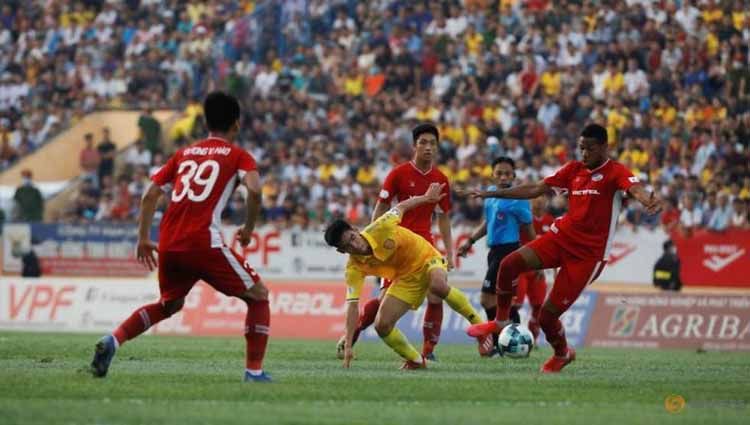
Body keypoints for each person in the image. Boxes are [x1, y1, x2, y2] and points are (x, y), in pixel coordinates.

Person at [90, 92, 272, 382]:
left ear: (204, 123)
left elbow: (150, 196)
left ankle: (113, 340)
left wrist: (142, 238)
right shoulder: (239, 156)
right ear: (236, 125)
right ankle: (254, 372)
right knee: (259, 296)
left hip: (169, 242)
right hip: (202, 242)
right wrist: (248, 229)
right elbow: (255, 190)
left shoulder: (183, 154)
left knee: (169, 305)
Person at [462, 124, 662, 373]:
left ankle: (562, 353)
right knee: (509, 264)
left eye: (589, 149)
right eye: (581, 148)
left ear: (604, 147)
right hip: (560, 238)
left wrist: (646, 200)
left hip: (588, 256)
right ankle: (501, 321)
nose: (584, 154)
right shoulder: (573, 170)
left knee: (547, 317)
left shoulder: (615, 172)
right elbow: (537, 188)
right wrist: (494, 194)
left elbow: (635, 188)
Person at [325, 183, 494, 369]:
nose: (355, 245)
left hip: (426, 257)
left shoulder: (380, 227)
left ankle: (480, 327)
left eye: (352, 238)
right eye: (348, 246)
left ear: (356, 230)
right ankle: (416, 360)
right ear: (342, 251)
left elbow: (401, 206)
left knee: (437, 286)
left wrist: (426, 198)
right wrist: (348, 344)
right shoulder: (353, 268)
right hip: (405, 278)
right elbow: (352, 305)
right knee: (382, 325)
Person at [337, 123, 453, 361]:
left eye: (432, 143)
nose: (428, 147)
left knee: (436, 292)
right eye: (423, 142)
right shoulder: (398, 174)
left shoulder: (441, 179)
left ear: (437, 147)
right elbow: (382, 206)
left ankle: (428, 351)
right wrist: (372, 240)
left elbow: (443, 217)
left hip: (425, 245)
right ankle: (354, 331)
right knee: (382, 303)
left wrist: (449, 251)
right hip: (394, 246)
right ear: (414, 146)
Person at [457, 157, 534, 355]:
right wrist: (470, 241)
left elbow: (528, 226)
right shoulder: (490, 194)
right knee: (502, 300)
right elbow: (487, 222)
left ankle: (497, 340)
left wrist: (537, 252)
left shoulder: (519, 198)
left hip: (508, 251)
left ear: (514, 175)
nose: (503, 177)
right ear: (492, 175)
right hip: (494, 252)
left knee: (486, 299)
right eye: (499, 173)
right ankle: (512, 341)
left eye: (507, 173)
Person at [514, 196, 554, 340]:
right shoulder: (524, 218)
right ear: (530, 201)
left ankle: (533, 337)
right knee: (516, 304)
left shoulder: (550, 221)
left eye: (542, 197)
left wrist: (554, 272)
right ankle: (511, 334)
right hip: (522, 269)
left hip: (539, 271)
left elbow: (554, 248)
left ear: (546, 200)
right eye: (536, 198)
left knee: (538, 306)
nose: (539, 201)